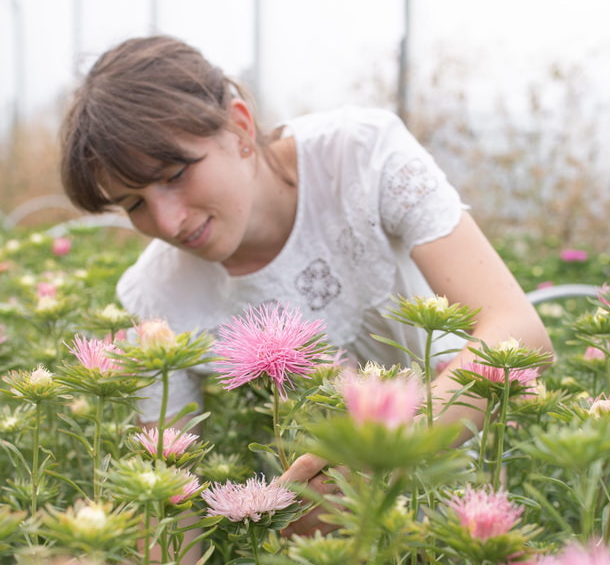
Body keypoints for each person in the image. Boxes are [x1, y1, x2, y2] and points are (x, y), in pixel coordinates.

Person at [59, 35, 553, 534]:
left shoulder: (361, 155)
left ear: (239, 126)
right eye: (134, 204)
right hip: (313, 547)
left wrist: (377, 452)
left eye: (174, 174)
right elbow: (172, 502)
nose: (168, 222)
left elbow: (520, 333)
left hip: (461, 501)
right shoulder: (155, 294)